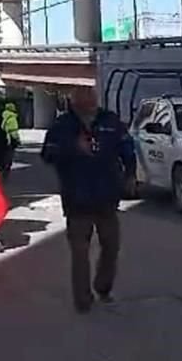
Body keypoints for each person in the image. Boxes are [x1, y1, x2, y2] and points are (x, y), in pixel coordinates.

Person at [41, 86, 136, 314]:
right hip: (77, 198)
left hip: (107, 196)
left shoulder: (109, 120)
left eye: (92, 96)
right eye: (84, 97)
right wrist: (73, 148)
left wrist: (130, 174)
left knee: (111, 246)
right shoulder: (62, 126)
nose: (90, 100)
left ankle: (103, 287)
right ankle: (83, 299)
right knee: (80, 252)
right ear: (74, 102)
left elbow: (127, 148)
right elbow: (48, 154)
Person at [0, 102, 21, 181]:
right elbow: (13, 131)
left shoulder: (3, 116)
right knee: (9, 154)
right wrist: (18, 139)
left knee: (3, 153)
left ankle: (2, 166)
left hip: (2, 138)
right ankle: (6, 169)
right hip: (10, 139)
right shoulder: (12, 118)